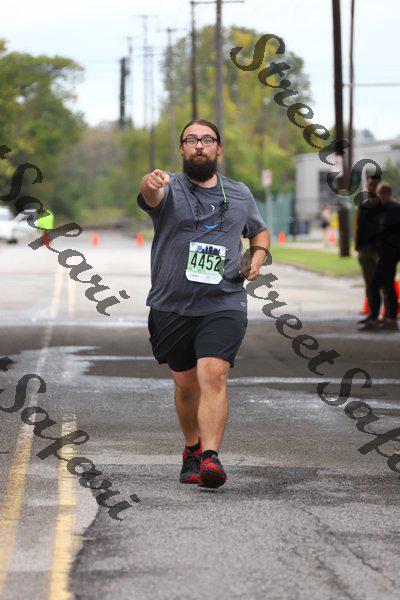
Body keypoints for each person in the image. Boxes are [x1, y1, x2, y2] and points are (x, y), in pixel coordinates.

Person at [136, 119, 270, 489]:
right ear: (181, 148)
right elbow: (148, 194)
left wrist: (257, 257)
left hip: (223, 301)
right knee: (186, 386)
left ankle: (211, 457)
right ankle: (192, 449)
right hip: (172, 304)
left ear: (218, 149)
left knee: (213, 374)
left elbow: (258, 231)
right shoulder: (168, 188)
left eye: (207, 139)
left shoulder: (239, 193)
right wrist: (150, 182)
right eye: (191, 139)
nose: (199, 145)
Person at [359, 183, 400, 331]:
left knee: (375, 285)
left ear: (389, 194)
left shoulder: (394, 209)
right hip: (384, 254)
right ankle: (389, 319)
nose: (382, 197)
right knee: (387, 286)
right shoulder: (384, 209)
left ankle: (376, 318)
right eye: (380, 194)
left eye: (384, 194)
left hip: (389, 254)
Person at [355, 174, 390, 325]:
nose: (372, 188)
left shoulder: (386, 207)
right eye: (370, 185)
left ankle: (388, 314)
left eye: (375, 186)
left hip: (380, 251)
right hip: (364, 250)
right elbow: (360, 230)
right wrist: (358, 248)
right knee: (369, 284)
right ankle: (372, 314)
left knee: (384, 284)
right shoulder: (364, 206)